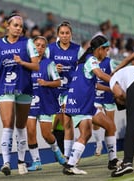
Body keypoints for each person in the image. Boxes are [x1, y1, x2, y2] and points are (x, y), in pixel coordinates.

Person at [0, 14, 39, 176]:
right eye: (15, 25)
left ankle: (21, 161)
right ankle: (6, 162)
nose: (18, 28)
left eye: (20, 26)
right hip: (4, 87)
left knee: (21, 126)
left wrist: (22, 62)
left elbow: (36, 66)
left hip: (24, 87)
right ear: (7, 26)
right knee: (8, 123)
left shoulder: (28, 43)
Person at [63, 35, 120, 175]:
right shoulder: (92, 60)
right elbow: (100, 75)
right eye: (106, 50)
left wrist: (110, 88)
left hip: (85, 103)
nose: (107, 53)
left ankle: (113, 161)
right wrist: (116, 83)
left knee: (110, 126)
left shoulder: (84, 61)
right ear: (100, 49)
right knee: (86, 133)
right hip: (82, 103)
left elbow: (94, 84)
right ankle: (70, 165)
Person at [26, 36, 66, 171]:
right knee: (30, 131)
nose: (39, 48)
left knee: (46, 134)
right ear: (32, 46)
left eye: (43, 46)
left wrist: (46, 83)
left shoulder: (49, 64)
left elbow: (58, 82)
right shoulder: (27, 63)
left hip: (45, 102)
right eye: (37, 45)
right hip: (30, 102)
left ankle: (57, 151)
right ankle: (36, 162)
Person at [47, 21, 83, 158]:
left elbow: (84, 67)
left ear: (71, 34)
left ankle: (68, 156)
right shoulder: (50, 49)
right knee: (63, 122)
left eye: (67, 33)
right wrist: (53, 68)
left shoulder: (78, 50)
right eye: (62, 33)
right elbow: (42, 65)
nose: (64, 36)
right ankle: (68, 153)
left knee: (67, 121)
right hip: (55, 90)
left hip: (70, 90)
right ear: (58, 35)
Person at [109, 66, 134, 177]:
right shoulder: (127, 72)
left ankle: (127, 162)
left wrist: (130, 101)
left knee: (132, 125)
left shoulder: (113, 80)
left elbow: (120, 94)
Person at [93, 56, 119, 156]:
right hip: (96, 95)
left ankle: (112, 151)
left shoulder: (110, 61)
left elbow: (114, 75)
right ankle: (99, 143)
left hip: (108, 95)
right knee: (96, 121)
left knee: (110, 124)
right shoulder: (92, 61)